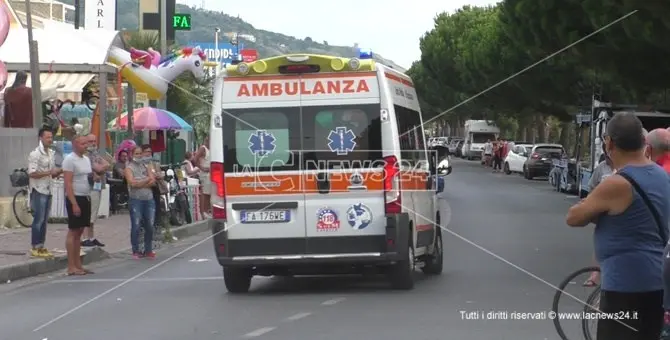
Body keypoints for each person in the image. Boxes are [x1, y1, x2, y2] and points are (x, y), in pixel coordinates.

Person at [566, 113, 669, 340]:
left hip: (626, 285)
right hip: (658, 280)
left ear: (609, 142)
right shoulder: (661, 175)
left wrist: (596, 209)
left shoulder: (616, 183)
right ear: (644, 143)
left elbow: (574, 217)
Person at [26, 128, 63, 257]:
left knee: (44, 220)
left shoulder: (51, 153)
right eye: (47, 137)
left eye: (51, 137)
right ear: (41, 138)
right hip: (39, 189)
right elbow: (32, 173)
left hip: (48, 189)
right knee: (38, 219)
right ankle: (35, 246)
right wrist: (49, 173)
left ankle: (41, 245)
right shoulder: (35, 154)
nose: (50, 140)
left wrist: (56, 173)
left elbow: (52, 171)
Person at [582, 143, 614, 287]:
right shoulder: (601, 168)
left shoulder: (628, 167)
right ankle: (594, 275)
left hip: (623, 213)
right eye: (606, 152)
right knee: (600, 243)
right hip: (604, 214)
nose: (608, 155)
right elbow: (592, 188)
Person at [62, 134, 95, 275]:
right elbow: (68, 183)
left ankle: (78, 264)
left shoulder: (86, 159)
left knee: (80, 231)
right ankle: (71, 266)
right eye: (82, 144)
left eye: (86, 144)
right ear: (75, 144)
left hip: (85, 196)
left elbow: (87, 177)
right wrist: (73, 203)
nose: (85, 146)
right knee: (73, 230)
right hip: (75, 197)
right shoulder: (69, 160)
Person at [124, 146, 156, 259]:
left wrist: (141, 182)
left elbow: (153, 181)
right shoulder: (129, 168)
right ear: (132, 155)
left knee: (150, 225)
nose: (139, 156)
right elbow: (132, 184)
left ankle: (148, 250)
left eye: (140, 154)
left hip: (149, 199)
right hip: (136, 200)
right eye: (136, 154)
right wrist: (146, 180)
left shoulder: (146, 165)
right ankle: (135, 250)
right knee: (136, 225)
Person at [81, 134, 109, 247]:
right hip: (90, 187)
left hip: (98, 186)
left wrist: (101, 168)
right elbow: (98, 168)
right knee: (89, 215)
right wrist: (100, 168)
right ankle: (85, 238)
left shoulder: (95, 154)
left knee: (93, 215)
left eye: (94, 141)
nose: (93, 143)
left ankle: (91, 237)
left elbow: (107, 164)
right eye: (90, 141)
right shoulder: (86, 155)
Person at [195, 136, 211, 218]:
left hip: (210, 173)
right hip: (205, 174)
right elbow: (195, 158)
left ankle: (207, 210)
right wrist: (201, 168)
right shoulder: (203, 148)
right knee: (204, 193)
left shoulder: (211, 149)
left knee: (209, 193)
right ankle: (203, 212)